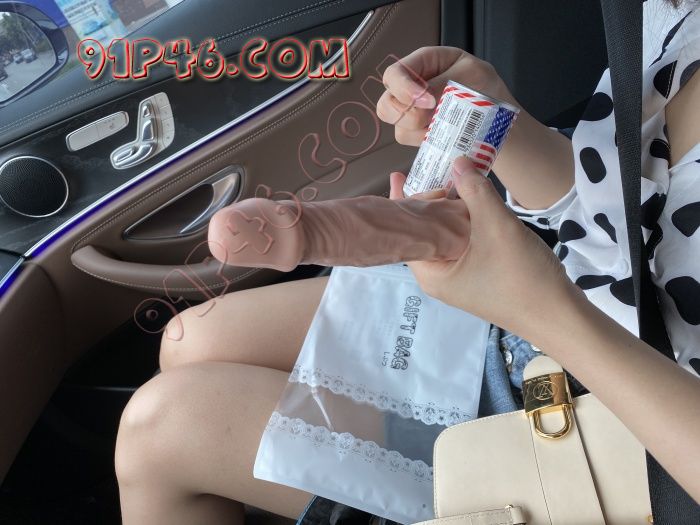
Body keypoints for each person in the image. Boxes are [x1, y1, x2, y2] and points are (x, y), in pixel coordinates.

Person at [114, 1, 700, 523]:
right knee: (193, 339)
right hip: (550, 311)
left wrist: (540, 309)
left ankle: (382, 235)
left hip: (620, 429)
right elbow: (618, 218)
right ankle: (399, 235)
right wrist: (496, 119)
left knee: (160, 428)